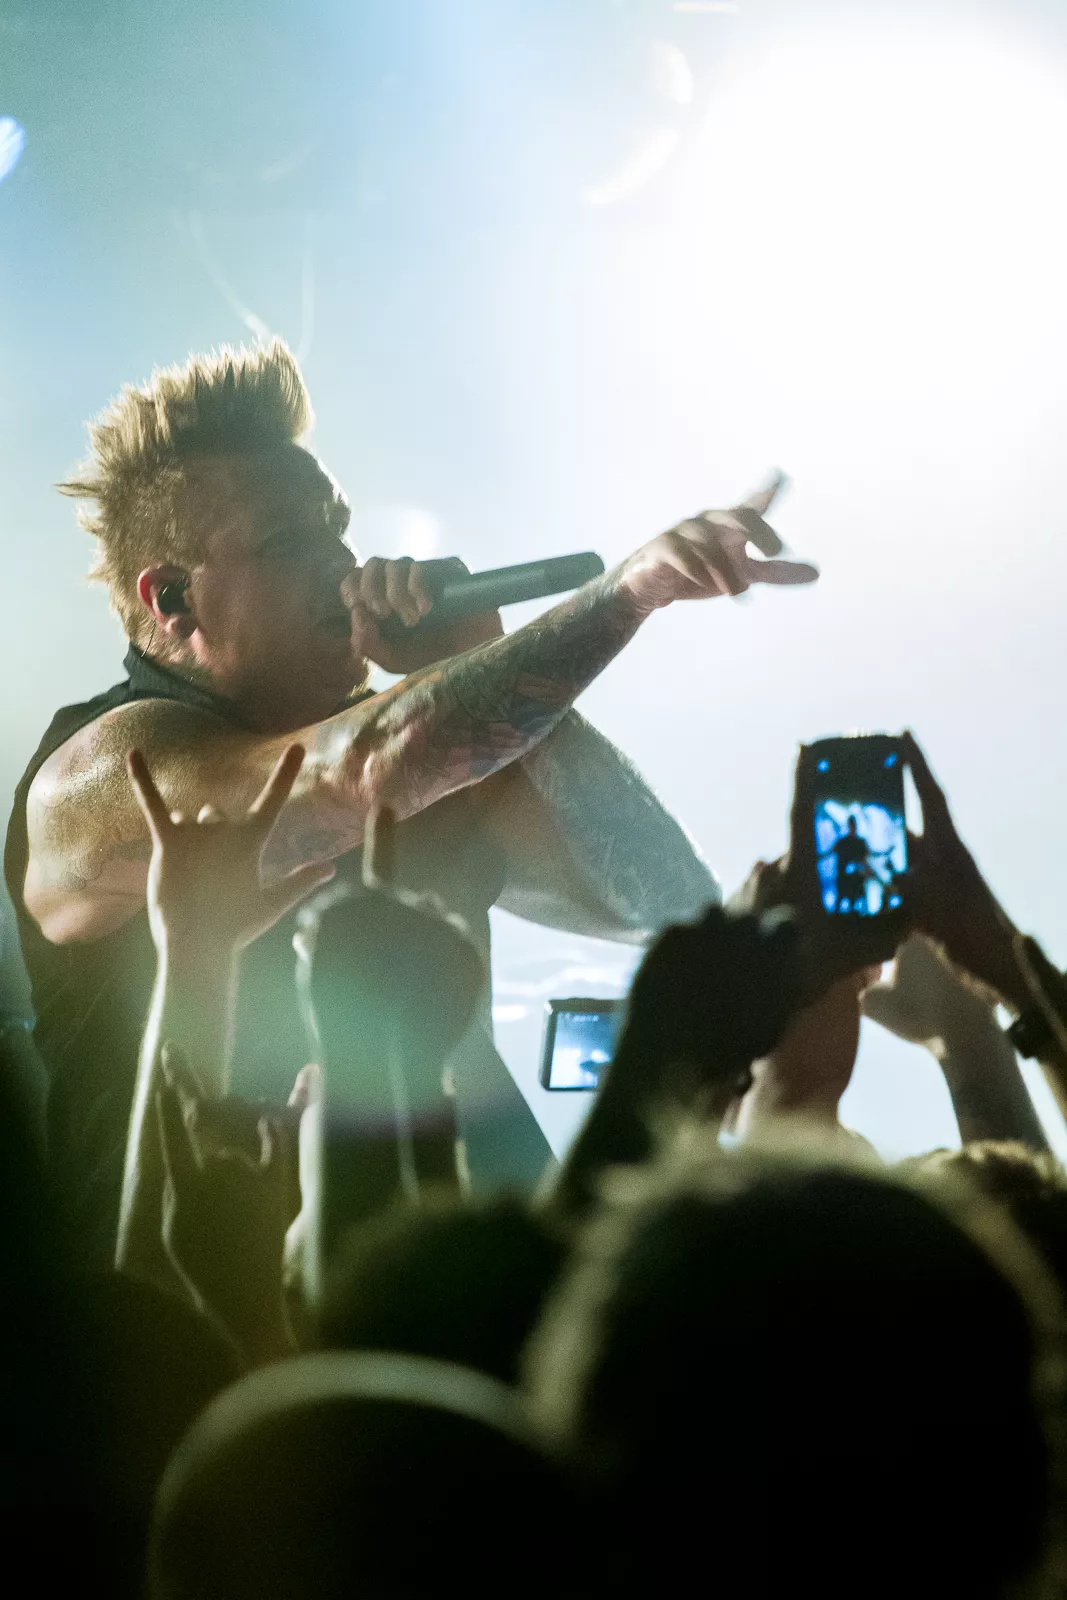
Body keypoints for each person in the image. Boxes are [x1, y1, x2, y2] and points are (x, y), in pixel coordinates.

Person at [4, 339, 817, 1263]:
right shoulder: (103, 766)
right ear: (173, 599)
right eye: (289, 541)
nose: (339, 564)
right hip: (219, 1321)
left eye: (336, 527)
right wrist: (623, 597)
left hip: (478, 1299)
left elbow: (663, 905)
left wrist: (470, 662)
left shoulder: (431, 751)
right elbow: (350, 774)